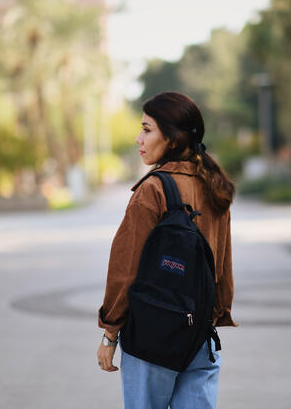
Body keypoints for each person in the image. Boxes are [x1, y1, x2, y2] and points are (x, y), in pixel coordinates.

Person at [97, 91, 237, 408]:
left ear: (172, 138)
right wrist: (214, 316)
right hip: (199, 336)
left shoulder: (153, 189)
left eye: (147, 129)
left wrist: (110, 333)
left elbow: (125, 269)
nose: (138, 138)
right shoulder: (215, 185)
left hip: (152, 339)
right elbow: (222, 264)